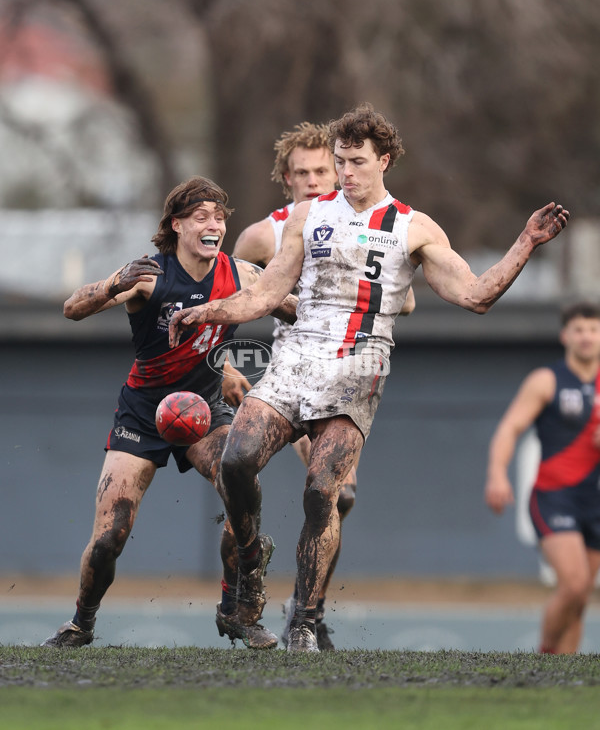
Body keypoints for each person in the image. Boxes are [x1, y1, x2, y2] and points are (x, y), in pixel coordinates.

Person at [169, 103, 570, 652]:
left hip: (360, 367)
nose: (345, 172)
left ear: (384, 160)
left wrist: (525, 242)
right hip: (297, 359)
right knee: (237, 459)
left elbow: (475, 296)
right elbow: (265, 293)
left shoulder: (413, 226)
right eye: (340, 161)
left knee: (321, 493)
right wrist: (207, 312)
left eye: (355, 161)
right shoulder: (308, 218)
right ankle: (251, 562)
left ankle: (305, 621)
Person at [41, 175, 296, 650]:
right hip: (142, 413)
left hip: (204, 409)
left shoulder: (242, 274)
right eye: (201, 217)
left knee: (244, 492)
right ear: (176, 225)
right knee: (109, 536)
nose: (213, 224)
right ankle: (81, 622)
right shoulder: (149, 275)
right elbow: (72, 307)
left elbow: (293, 309)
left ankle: (235, 607)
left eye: (219, 217)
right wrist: (113, 284)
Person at [233, 121, 416, 649]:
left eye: (324, 169)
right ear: (285, 178)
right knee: (241, 471)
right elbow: (235, 294)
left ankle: (306, 611)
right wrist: (227, 365)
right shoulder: (264, 234)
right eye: (304, 172)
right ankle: (243, 589)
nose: (318, 180)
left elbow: (404, 298)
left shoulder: (364, 223)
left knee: (337, 496)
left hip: (340, 375)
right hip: (287, 374)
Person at [485, 302, 600, 654]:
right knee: (576, 584)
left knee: (578, 599)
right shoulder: (546, 380)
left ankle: (561, 682)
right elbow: (510, 428)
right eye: (579, 330)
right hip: (554, 496)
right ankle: (546, 656)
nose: (587, 337)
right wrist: (497, 475)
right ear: (566, 336)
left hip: (594, 500)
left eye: (594, 330)